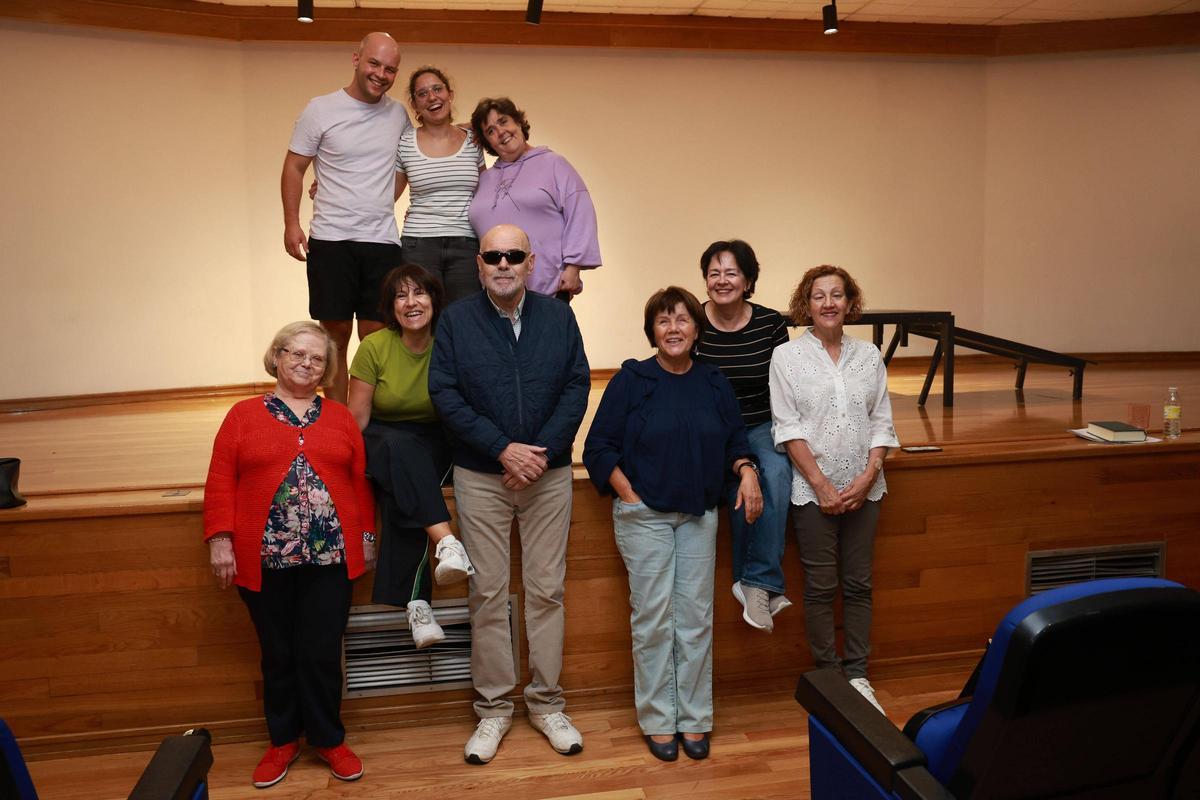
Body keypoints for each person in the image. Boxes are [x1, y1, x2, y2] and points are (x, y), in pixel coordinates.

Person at [428, 224, 590, 764]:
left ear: (530, 262)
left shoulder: (558, 316)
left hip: (547, 474)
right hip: (482, 475)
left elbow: (575, 385)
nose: (503, 264)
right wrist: (503, 449)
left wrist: (537, 451)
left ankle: (546, 704)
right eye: (493, 256)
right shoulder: (455, 321)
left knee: (547, 591)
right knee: (488, 594)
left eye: (513, 255)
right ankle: (494, 710)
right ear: (479, 264)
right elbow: (444, 394)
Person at [583, 286, 762, 763]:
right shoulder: (632, 380)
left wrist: (746, 470)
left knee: (696, 621)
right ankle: (660, 720)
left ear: (696, 328)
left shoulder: (713, 382)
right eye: (663, 321)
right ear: (652, 331)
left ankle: (695, 718)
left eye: (682, 319)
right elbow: (598, 449)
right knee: (654, 621)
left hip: (700, 515)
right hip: (646, 518)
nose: (674, 329)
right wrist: (630, 496)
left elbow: (736, 441)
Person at [204, 321, 375, 788]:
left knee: (321, 652)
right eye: (296, 353)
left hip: (330, 559)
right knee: (277, 653)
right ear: (276, 357)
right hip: (264, 558)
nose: (305, 363)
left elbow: (359, 482)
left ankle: (328, 739)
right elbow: (221, 478)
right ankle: (282, 741)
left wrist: (366, 539)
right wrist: (220, 538)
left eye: (316, 358)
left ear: (327, 368)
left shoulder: (340, 417)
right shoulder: (242, 415)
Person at [769, 265, 900, 715]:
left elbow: (883, 423)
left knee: (859, 583)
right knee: (822, 586)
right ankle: (829, 677)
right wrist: (822, 485)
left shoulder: (869, 357)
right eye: (819, 296)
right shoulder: (786, 358)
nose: (828, 303)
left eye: (837, 295)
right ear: (806, 305)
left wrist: (867, 477)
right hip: (812, 490)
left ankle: (858, 674)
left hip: (867, 487)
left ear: (850, 303)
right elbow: (786, 428)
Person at [348, 264, 475, 650]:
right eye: (401, 296)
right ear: (391, 306)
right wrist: (356, 481)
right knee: (402, 454)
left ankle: (418, 603)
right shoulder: (374, 346)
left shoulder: (451, 341)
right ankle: (445, 541)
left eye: (418, 293)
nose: (411, 302)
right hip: (385, 435)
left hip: (437, 436)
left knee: (406, 490)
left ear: (434, 300)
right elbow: (356, 421)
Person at [281, 32, 411, 403]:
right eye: (374, 64)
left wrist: (377, 198)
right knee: (334, 335)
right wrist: (292, 223)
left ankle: (366, 420)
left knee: (375, 337)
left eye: (390, 69)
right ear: (356, 59)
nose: (381, 74)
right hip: (331, 240)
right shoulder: (320, 109)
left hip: (382, 242)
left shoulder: (398, 114)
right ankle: (338, 421)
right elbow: (294, 168)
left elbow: (406, 164)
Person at [694, 240, 793, 633]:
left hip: (758, 424)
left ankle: (755, 583)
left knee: (775, 473)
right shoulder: (693, 322)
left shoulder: (770, 324)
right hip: (707, 431)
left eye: (731, 272)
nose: (722, 281)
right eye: (714, 273)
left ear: (748, 279)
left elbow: (784, 389)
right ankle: (758, 584)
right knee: (740, 479)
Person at [468, 98, 601, 301]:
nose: (501, 132)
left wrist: (573, 267)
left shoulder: (553, 164)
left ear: (519, 121)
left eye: (503, 121)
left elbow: (580, 214)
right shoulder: (484, 179)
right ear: (487, 142)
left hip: (548, 290)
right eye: (490, 131)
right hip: (495, 294)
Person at [394, 66, 487, 303]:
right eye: (422, 93)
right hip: (418, 244)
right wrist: (335, 186)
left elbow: (487, 194)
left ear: (450, 94)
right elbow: (385, 194)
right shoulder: (405, 142)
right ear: (414, 105)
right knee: (424, 318)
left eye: (437, 89)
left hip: (466, 243)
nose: (432, 97)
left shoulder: (473, 141)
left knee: (465, 318)